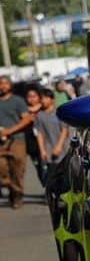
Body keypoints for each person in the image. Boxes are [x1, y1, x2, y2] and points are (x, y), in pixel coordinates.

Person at [0, 75, 33, 209]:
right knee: (2, 168)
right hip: (0, 143)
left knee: (17, 170)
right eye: (0, 83)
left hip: (17, 140)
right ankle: (9, 186)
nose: (2, 86)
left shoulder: (17, 101)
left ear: (10, 85)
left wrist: (9, 131)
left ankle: (17, 195)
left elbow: (27, 119)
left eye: (5, 83)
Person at [33, 89, 70, 194]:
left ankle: (64, 192)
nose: (43, 100)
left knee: (64, 171)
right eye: (41, 98)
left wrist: (58, 146)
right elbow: (39, 133)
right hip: (48, 148)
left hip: (61, 147)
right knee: (52, 172)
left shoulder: (58, 112)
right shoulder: (39, 115)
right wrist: (42, 150)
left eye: (45, 98)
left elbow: (64, 130)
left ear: (52, 99)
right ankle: (54, 193)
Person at [23, 85, 46, 187]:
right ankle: (46, 187)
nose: (32, 99)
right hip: (32, 145)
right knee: (39, 168)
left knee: (48, 167)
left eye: (34, 96)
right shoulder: (23, 111)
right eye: (29, 96)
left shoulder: (45, 108)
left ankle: (53, 189)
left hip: (47, 143)